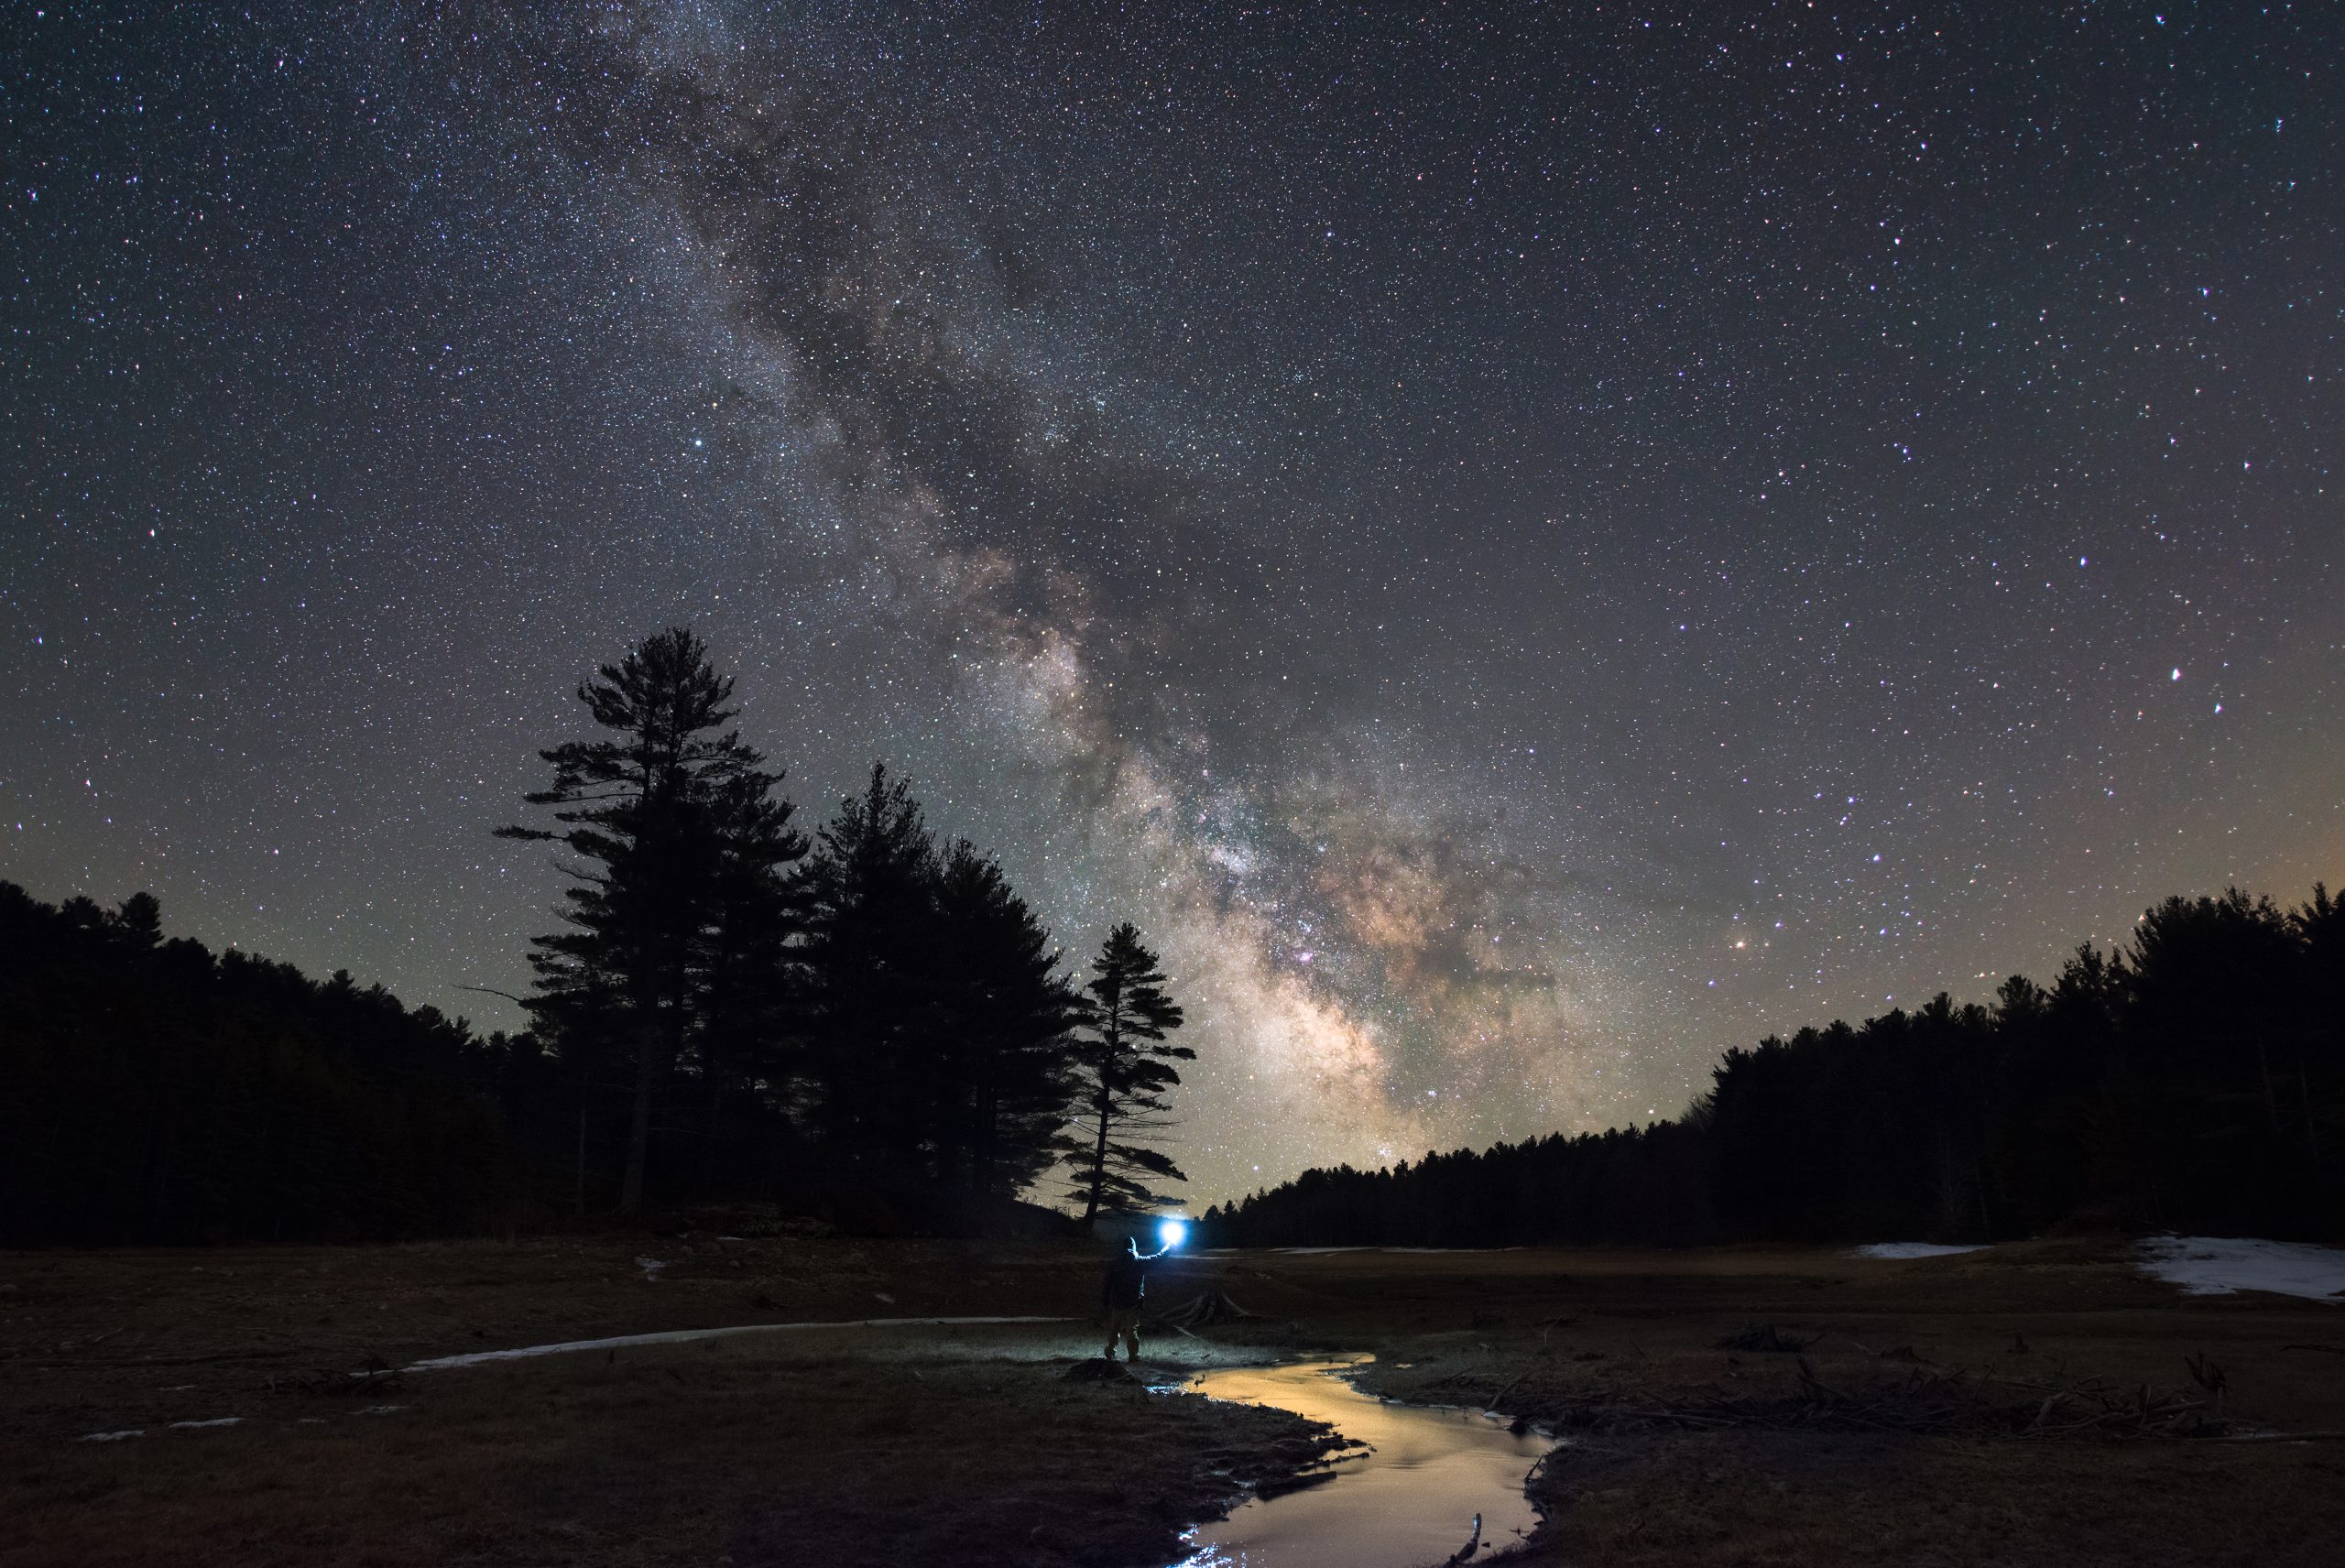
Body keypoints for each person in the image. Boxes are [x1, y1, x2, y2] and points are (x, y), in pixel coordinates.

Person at [1099, 1235, 1163, 1362]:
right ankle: (1133, 1356)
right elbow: (1157, 1258)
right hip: (1133, 1302)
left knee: (1114, 1328)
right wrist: (1169, 1247)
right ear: (1133, 1247)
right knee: (1132, 1330)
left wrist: (1105, 1300)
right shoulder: (1139, 1261)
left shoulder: (1114, 1263)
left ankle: (1111, 1352)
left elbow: (1107, 1283)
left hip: (1117, 1302)